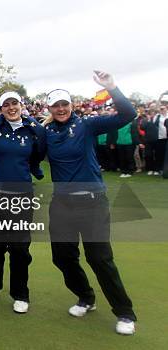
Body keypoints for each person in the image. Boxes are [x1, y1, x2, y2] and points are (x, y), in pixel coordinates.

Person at [44, 71, 137, 335]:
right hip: (61, 204)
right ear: (49, 108)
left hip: (92, 203)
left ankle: (125, 313)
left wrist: (112, 88)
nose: (61, 109)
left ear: (71, 106)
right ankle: (86, 296)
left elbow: (128, 115)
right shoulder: (46, 131)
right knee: (62, 257)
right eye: (56, 105)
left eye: (65, 104)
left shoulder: (87, 125)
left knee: (99, 258)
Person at [0, 92, 46, 314]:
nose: (11, 107)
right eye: (6, 105)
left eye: (14, 103)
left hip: (22, 195)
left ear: (21, 105)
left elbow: (40, 152)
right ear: (1, 109)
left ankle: (20, 293)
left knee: (19, 248)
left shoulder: (33, 131)